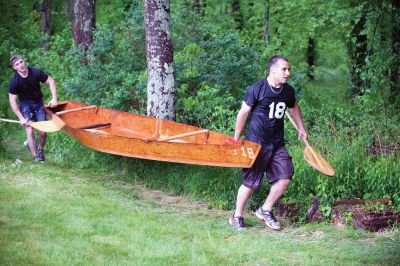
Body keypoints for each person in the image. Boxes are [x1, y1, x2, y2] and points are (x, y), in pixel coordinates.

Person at [229, 55, 307, 230]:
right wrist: (236, 137)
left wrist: (301, 128)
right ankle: (237, 215)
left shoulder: (288, 91)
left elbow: (294, 107)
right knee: (250, 182)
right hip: (256, 143)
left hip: (277, 143)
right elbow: (243, 113)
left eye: (289, 69)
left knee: (285, 176)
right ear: (273, 70)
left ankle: (265, 209)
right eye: (284, 69)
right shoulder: (257, 89)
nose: (287, 73)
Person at [8, 54, 58, 162]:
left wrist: (54, 99)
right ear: (14, 67)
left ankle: (40, 149)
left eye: (21, 62)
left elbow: (51, 81)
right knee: (30, 131)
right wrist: (21, 118)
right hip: (25, 106)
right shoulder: (14, 82)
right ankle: (35, 157)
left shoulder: (36, 72)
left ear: (24, 61)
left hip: (38, 104)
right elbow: (12, 101)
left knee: (43, 132)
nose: (20, 65)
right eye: (17, 64)